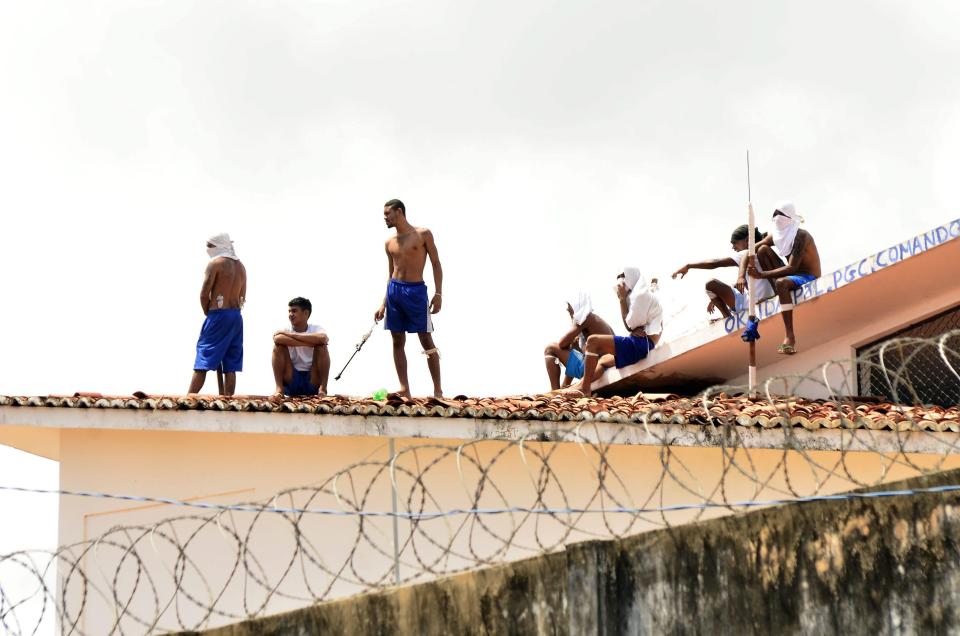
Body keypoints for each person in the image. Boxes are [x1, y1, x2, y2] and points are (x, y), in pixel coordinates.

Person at [373, 199, 444, 397]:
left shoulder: (422, 234)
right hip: (395, 291)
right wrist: (383, 304)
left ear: (399, 212)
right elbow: (390, 274)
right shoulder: (389, 243)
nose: (385, 217)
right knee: (397, 340)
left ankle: (438, 390)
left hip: (416, 291)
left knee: (425, 338)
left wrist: (438, 294)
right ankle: (405, 389)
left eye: (388, 213)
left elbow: (436, 264)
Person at [571, 268, 663, 397]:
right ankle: (577, 387)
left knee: (592, 341)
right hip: (641, 342)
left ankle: (585, 389)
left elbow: (629, 326)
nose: (620, 287)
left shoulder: (641, 297)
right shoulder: (639, 297)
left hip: (642, 344)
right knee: (603, 360)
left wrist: (621, 299)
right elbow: (632, 326)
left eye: (622, 284)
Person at [747, 201, 821, 354]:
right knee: (762, 250)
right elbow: (752, 250)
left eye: (780, 214)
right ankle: (778, 292)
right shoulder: (776, 235)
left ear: (789, 217)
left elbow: (792, 268)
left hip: (807, 276)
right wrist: (742, 271)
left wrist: (761, 275)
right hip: (793, 275)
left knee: (782, 282)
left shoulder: (801, 235)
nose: (776, 218)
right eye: (774, 215)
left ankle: (789, 337)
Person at [671, 224, 782, 320]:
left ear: (747, 240)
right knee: (714, 285)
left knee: (711, 284)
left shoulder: (751, 252)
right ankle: (729, 319)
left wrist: (689, 266)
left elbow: (715, 263)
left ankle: (728, 318)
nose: (733, 247)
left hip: (761, 300)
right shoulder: (756, 254)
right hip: (752, 301)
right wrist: (720, 296)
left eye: (735, 243)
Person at [188, 233, 246, 395]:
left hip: (218, 314)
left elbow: (204, 293)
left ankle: (189, 397)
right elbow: (243, 296)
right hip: (236, 316)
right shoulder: (241, 267)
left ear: (219, 245)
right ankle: (228, 399)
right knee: (231, 363)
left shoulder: (215, 264)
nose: (208, 249)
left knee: (204, 356)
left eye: (210, 246)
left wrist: (209, 313)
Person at [544, 292, 615, 390]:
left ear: (577, 306)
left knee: (550, 348)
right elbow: (586, 354)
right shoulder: (594, 320)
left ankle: (555, 390)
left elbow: (562, 343)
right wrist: (575, 348)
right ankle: (562, 388)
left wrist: (570, 343)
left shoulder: (585, 318)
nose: (567, 309)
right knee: (574, 352)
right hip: (596, 364)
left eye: (570, 306)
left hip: (598, 367)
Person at [272, 297, 330, 397]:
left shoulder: (316, 328)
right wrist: (310, 343)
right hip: (291, 378)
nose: (290, 315)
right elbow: (278, 338)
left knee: (322, 347)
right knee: (278, 347)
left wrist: (291, 335)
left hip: (312, 378)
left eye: (294, 311)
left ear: (306, 313)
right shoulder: (286, 329)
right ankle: (279, 389)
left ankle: (323, 388)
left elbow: (323, 338)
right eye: (289, 311)